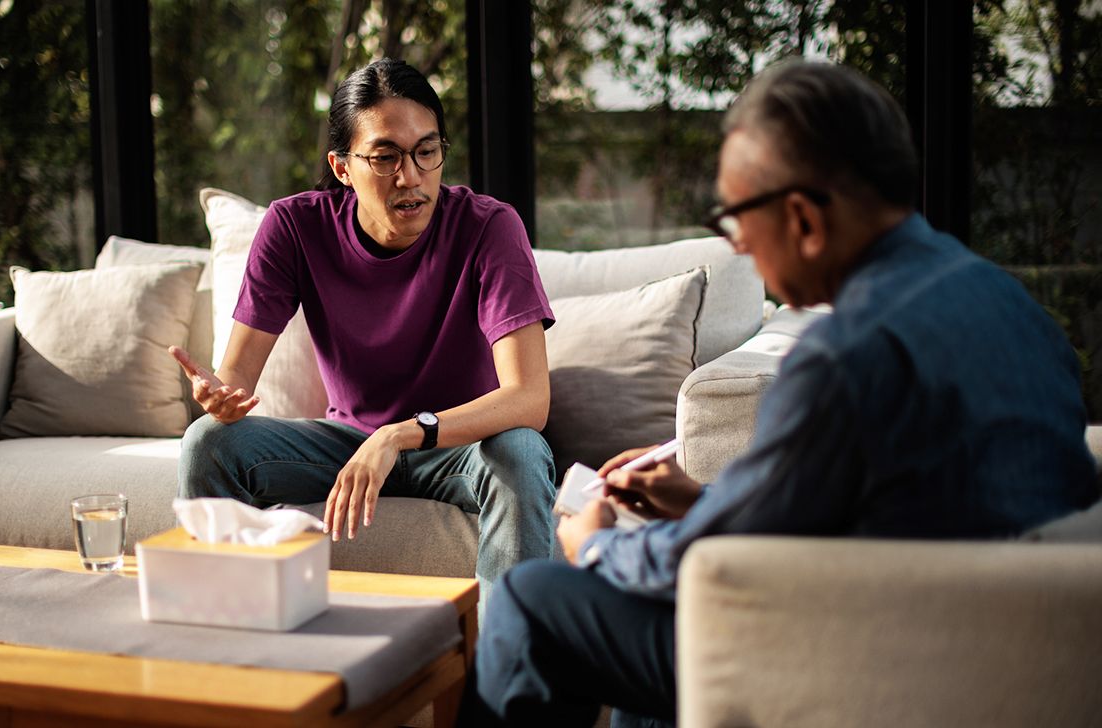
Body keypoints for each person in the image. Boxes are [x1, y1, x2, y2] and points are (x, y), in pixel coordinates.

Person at [463, 60, 1099, 727]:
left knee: (533, 597)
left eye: (735, 218)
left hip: (858, 655)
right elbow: (862, 507)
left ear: (803, 219)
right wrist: (697, 502)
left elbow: (703, 566)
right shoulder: (1015, 308)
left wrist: (594, 544)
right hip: (985, 651)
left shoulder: (845, 359)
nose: (736, 244)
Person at [174, 58, 556, 603]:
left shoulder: (490, 227)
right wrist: (219, 397)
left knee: (520, 450)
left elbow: (529, 399)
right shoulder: (293, 227)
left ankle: (507, 673)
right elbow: (235, 380)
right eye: (385, 157)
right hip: (346, 446)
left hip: (462, 445)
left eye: (427, 151)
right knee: (207, 444)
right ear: (342, 166)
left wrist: (398, 434)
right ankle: (228, 640)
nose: (412, 177)